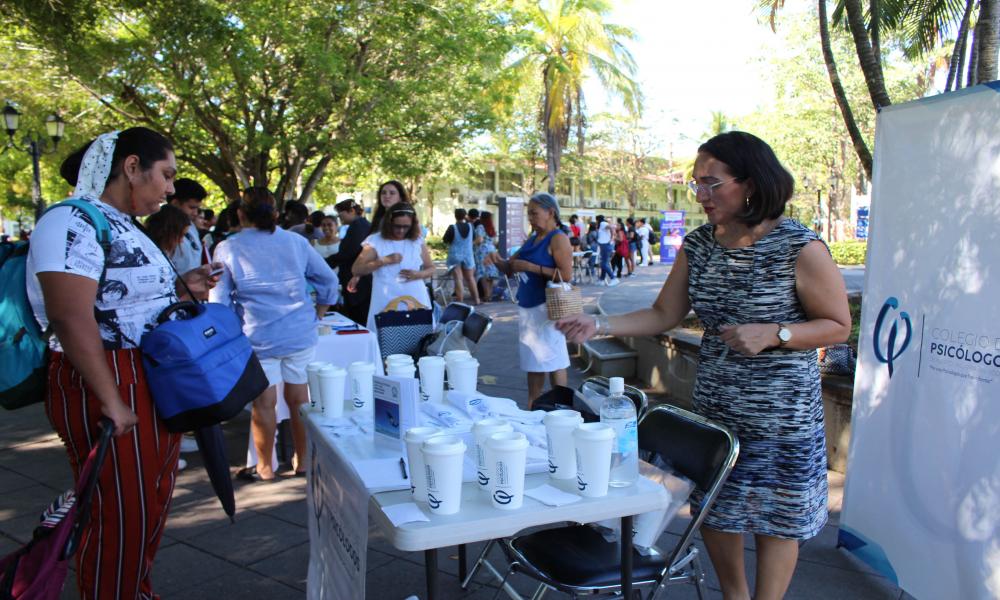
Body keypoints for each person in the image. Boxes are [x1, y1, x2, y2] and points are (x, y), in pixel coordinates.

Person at [556, 131, 851, 600]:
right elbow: (663, 314)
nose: (700, 195)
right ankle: (733, 595)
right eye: (696, 184)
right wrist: (600, 323)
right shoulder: (699, 246)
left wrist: (777, 332)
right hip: (717, 405)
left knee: (778, 515)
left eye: (712, 184)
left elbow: (837, 325)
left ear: (750, 182)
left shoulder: (799, 246)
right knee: (716, 507)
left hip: (782, 414)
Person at [26, 127, 219, 600]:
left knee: (148, 505)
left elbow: (118, 303)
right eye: (166, 175)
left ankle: (134, 590)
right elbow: (70, 317)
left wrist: (179, 288)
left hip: (146, 377)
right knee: (119, 515)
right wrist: (111, 399)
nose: (172, 188)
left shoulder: (122, 223)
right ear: (132, 167)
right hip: (109, 377)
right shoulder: (71, 221)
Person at [210, 187, 338, 481]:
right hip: (299, 332)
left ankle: (265, 467)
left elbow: (219, 300)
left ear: (241, 214)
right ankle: (303, 461)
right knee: (300, 398)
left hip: (257, 337)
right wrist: (318, 312)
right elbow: (328, 281)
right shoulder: (296, 242)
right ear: (276, 214)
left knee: (263, 402)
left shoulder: (228, 247)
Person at [491, 193, 573, 404]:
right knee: (536, 361)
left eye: (534, 213)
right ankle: (535, 405)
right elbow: (510, 268)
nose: (530, 218)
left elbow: (566, 275)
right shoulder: (532, 238)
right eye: (528, 214)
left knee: (551, 359)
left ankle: (558, 406)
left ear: (550, 213)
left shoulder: (558, 238)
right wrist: (496, 261)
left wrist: (531, 267)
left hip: (548, 308)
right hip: (528, 308)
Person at [352, 202, 435, 332]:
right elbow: (356, 269)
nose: (401, 230)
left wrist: (418, 275)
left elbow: (431, 268)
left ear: (412, 225)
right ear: (389, 222)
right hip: (385, 299)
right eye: (397, 226)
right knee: (386, 338)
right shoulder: (376, 241)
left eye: (406, 227)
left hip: (415, 298)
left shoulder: (416, 240)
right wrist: (384, 261)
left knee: (419, 338)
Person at [332, 198, 372, 326]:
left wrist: (326, 262)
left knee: (358, 319)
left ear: (351, 211)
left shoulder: (358, 226)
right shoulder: (360, 225)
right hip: (356, 279)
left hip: (357, 282)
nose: (339, 217)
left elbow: (348, 252)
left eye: (341, 213)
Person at [166, 177, 208, 274]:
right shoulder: (164, 229)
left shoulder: (191, 227)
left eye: (197, 208)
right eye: (192, 207)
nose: (195, 213)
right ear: (175, 203)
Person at [443, 208, 480, 305]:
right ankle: (477, 299)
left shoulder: (452, 227)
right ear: (465, 216)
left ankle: (460, 301)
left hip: (455, 255)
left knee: (458, 278)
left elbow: (445, 240)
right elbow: (474, 238)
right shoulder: (471, 226)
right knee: (470, 278)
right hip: (468, 255)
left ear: (455, 216)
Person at [473, 210, 501, 301]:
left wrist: (472, 243)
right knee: (490, 273)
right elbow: (494, 241)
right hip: (491, 250)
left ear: (482, 218)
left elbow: (480, 240)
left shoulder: (481, 226)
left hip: (482, 251)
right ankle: (489, 294)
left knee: (483, 274)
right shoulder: (491, 227)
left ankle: (486, 295)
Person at [595, 214, 617, 286]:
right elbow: (612, 228)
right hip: (604, 245)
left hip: (605, 245)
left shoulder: (602, 223)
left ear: (598, 220)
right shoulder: (603, 224)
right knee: (604, 263)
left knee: (603, 263)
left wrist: (611, 237)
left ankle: (613, 278)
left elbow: (611, 227)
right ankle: (602, 279)